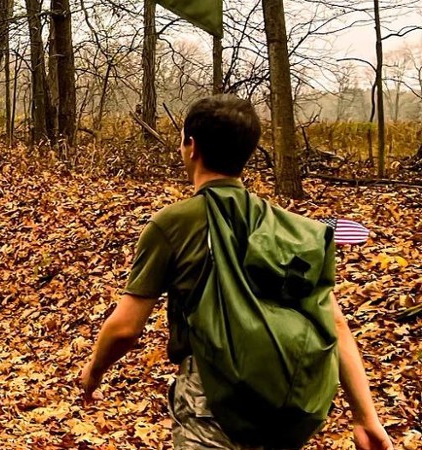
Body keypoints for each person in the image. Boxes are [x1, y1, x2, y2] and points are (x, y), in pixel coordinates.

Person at [78, 95, 393, 450]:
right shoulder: (287, 228)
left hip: (211, 403)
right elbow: (335, 323)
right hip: (281, 406)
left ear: (191, 146)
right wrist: (365, 416)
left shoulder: (174, 223)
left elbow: (125, 328)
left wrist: (94, 370)